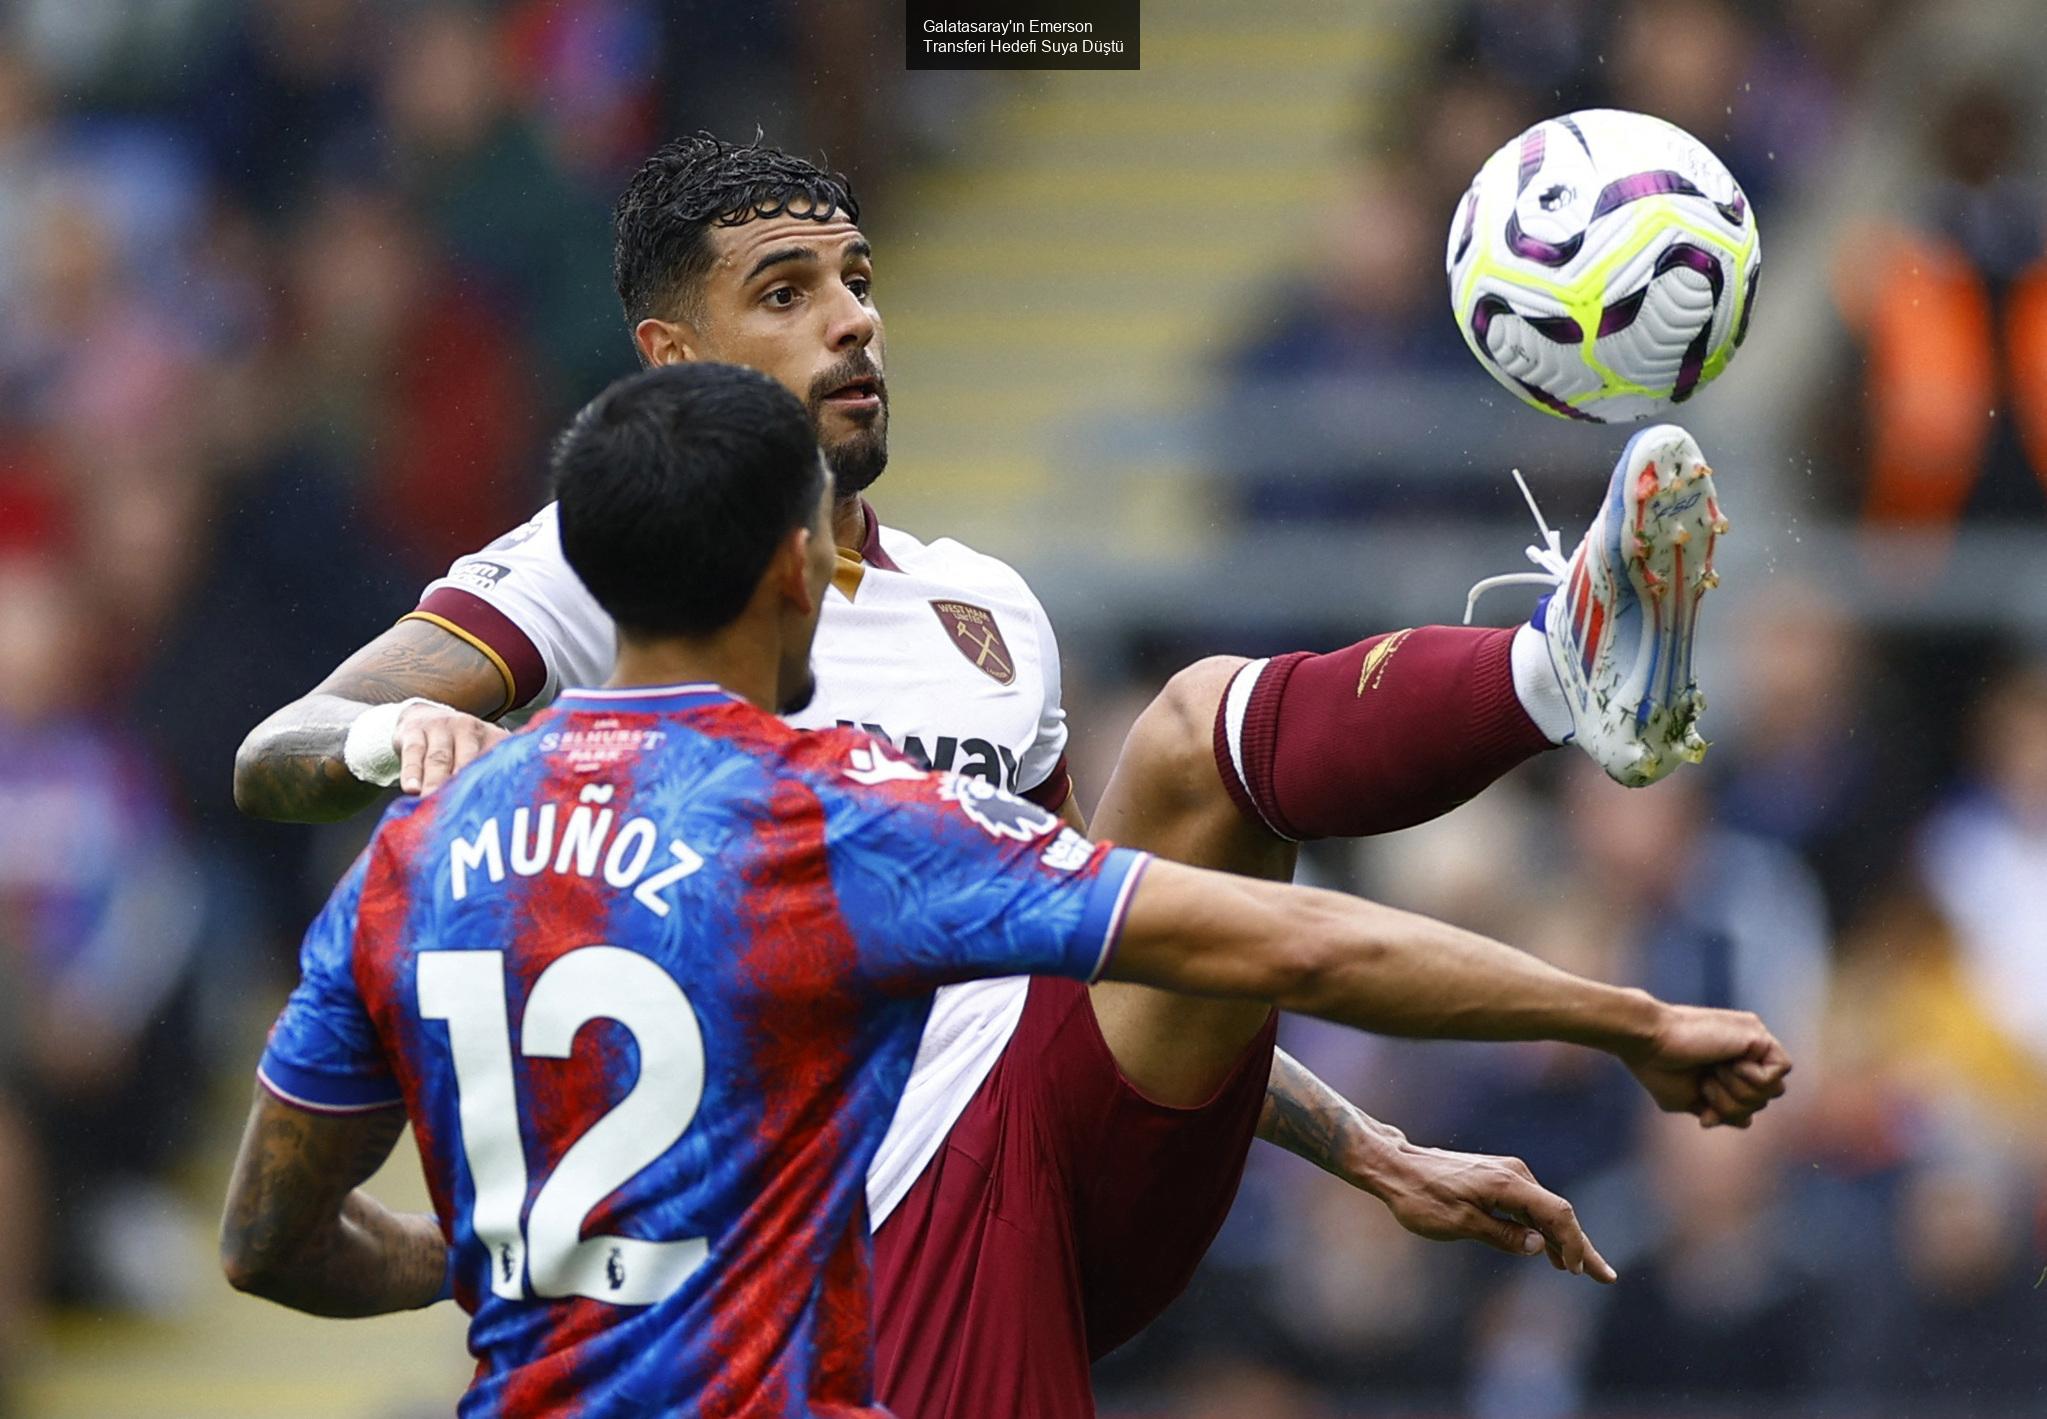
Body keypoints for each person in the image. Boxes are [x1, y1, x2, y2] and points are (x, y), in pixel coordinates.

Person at [232, 135, 1733, 1416]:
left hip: (1013, 1167)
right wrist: (390, 735)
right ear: (673, 362)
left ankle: (1556, 671)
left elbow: (1106, 945)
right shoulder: (623, 559)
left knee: (1198, 734)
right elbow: (280, 751)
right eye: (787, 292)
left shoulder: (985, 613)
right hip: (840, 1248)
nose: (852, 325)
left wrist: (1367, 1146)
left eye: (860, 282)